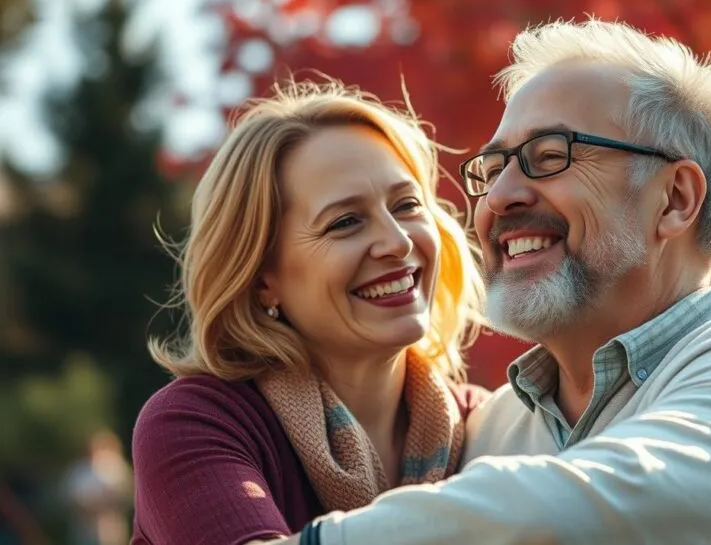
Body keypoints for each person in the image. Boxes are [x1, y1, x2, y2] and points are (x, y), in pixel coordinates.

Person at [271, 19, 711, 545]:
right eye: (494, 167)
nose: (500, 198)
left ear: (674, 199)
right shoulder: (483, 432)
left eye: (550, 155)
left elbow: (580, 507)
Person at [129, 78, 488, 545]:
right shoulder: (194, 423)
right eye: (345, 222)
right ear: (262, 278)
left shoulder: (486, 423)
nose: (398, 242)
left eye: (406, 205)